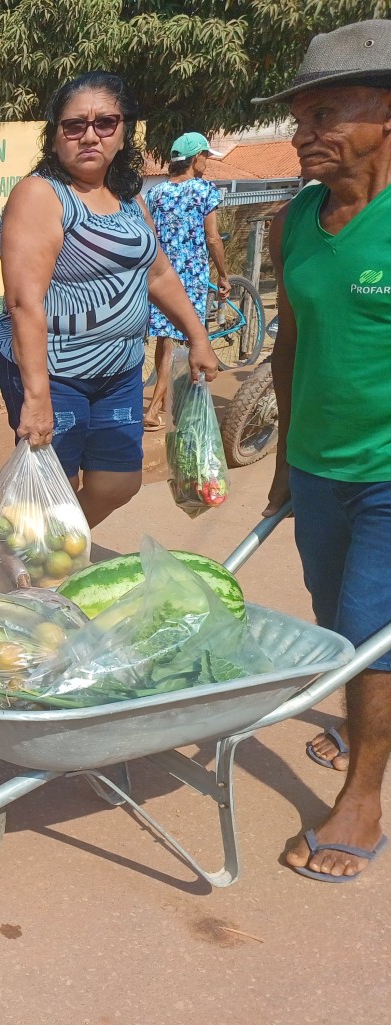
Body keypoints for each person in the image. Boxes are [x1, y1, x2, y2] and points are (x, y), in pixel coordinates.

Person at [255, 19, 391, 882]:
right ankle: (363, 722)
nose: (303, 134)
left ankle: (365, 796)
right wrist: (279, 463)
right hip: (316, 463)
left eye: (325, 112)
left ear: (386, 111)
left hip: (387, 473)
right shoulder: (297, 218)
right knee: (337, 617)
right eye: (299, 116)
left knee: (367, 630)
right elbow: (291, 340)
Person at [0, 71, 219, 528]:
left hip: (117, 370)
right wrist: (37, 396)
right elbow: (23, 303)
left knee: (119, 481)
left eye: (105, 123)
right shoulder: (41, 195)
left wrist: (198, 336)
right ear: (55, 135)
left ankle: (46, 546)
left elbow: (157, 271)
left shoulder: (128, 196)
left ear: (124, 131)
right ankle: (29, 570)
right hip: (56, 372)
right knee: (49, 484)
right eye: (73, 125)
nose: (89, 135)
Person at [142, 133, 231, 431]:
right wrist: (224, 273)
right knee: (188, 338)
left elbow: (151, 236)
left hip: (160, 275)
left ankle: (163, 403)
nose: (207, 162)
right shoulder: (204, 190)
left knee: (165, 339)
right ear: (196, 159)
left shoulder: (156, 193)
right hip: (191, 275)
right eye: (206, 156)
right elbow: (213, 238)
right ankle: (157, 408)